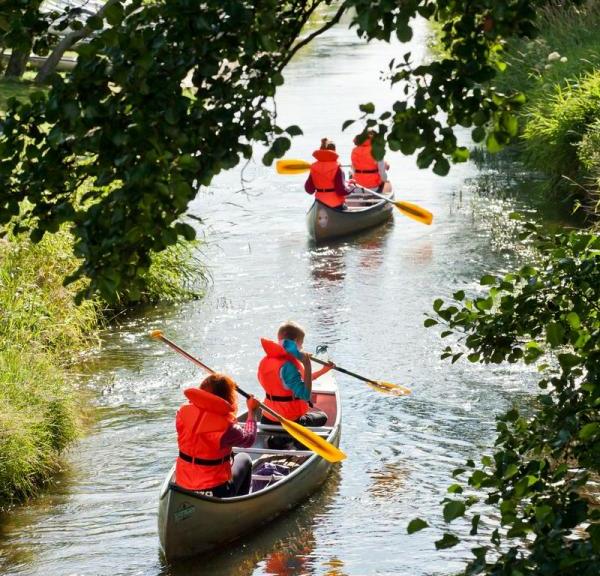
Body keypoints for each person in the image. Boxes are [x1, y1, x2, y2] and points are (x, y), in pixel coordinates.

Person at [175, 373, 259, 498]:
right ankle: (237, 504)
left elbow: (199, 406)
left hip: (182, 485)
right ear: (227, 397)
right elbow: (249, 439)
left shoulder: (182, 413)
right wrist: (252, 412)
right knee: (245, 458)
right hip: (216, 489)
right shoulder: (228, 427)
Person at [257, 321, 333, 434]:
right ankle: (287, 442)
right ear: (297, 341)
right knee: (322, 416)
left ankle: (277, 441)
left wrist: (323, 370)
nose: (302, 347)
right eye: (301, 344)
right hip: (288, 421)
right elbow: (305, 395)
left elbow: (298, 379)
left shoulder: (266, 360)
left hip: (267, 418)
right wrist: (307, 365)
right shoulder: (288, 366)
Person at [304, 138, 351, 210]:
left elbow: (309, 190)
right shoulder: (337, 168)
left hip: (320, 204)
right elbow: (341, 191)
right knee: (346, 207)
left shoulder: (313, 167)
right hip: (336, 205)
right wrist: (352, 188)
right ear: (334, 151)